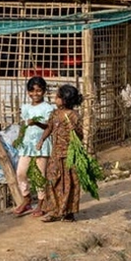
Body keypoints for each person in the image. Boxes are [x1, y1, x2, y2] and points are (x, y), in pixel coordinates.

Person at [36, 84, 84, 223]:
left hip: (69, 156)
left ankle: (68, 212)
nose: (54, 99)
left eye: (57, 97)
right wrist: (42, 140)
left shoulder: (74, 116)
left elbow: (80, 137)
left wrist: (73, 129)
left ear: (65, 99)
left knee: (70, 184)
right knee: (52, 181)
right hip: (55, 155)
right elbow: (49, 128)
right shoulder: (54, 114)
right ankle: (53, 211)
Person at [13, 76, 54, 217]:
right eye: (32, 91)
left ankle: (42, 203)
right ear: (28, 92)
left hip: (41, 144)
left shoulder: (48, 108)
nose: (35, 94)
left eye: (38, 91)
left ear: (44, 91)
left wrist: (36, 123)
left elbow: (49, 126)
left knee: (39, 175)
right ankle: (27, 198)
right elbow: (24, 126)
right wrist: (19, 139)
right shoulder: (26, 108)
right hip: (27, 144)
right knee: (21, 172)